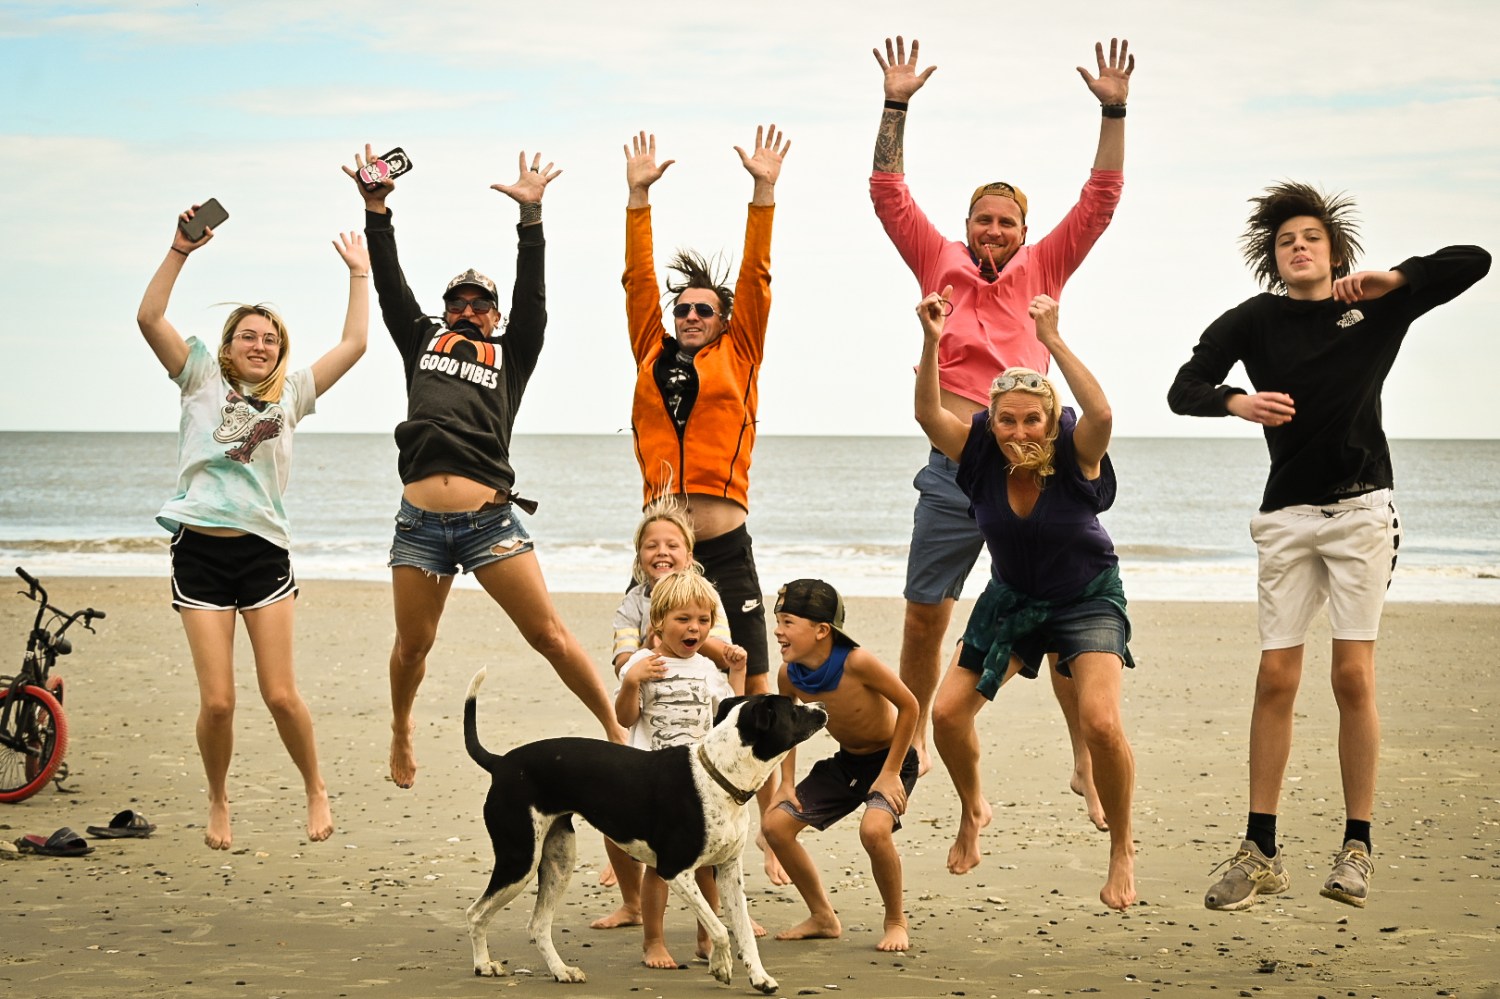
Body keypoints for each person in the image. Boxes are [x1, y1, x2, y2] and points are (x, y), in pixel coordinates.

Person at [1167, 182, 1491, 911]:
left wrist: (1399, 277)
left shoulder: (1376, 306)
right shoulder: (1255, 321)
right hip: (1285, 516)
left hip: (1361, 513)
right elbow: (1183, 386)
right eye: (1286, 240)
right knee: (1276, 679)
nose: (1299, 247)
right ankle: (1260, 850)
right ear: (1274, 258)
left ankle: (1357, 846)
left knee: (1351, 676)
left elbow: (1475, 259)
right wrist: (1235, 401)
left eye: (1311, 236)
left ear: (1334, 250)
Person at [869, 36, 1134, 832]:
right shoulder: (937, 260)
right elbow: (887, 191)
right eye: (983, 220)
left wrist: (1113, 108)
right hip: (957, 462)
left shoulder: (1044, 266)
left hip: (1036, 463)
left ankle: (1084, 759)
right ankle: (906, 748)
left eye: (1006, 220)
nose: (993, 231)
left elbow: (1102, 198)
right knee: (925, 614)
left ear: (1023, 228)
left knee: (1057, 616)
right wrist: (896, 102)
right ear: (966, 225)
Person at [343, 144, 624, 788]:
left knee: (549, 635)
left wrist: (531, 219)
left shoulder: (512, 353)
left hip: (489, 522)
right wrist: (376, 209)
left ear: (494, 317)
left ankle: (611, 726)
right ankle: (401, 726)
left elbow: (534, 297)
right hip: (419, 524)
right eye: (459, 303)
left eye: (480, 305)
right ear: (446, 311)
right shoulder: (422, 339)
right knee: (413, 647)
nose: (469, 310)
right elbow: (390, 284)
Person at [136, 202, 370, 849]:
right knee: (217, 703)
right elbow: (148, 317)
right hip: (199, 555)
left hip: (265, 553)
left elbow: (355, 345)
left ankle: (315, 787)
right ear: (231, 342)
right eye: (249, 335)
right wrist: (180, 250)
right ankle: (218, 798)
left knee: (281, 694)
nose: (260, 344)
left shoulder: (290, 394)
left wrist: (359, 273)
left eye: (270, 338)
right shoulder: (199, 375)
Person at [916, 287, 1138, 910]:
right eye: (1007, 419)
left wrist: (1052, 340)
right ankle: (972, 808)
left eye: (1031, 419)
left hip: (1086, 595)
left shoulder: (1077, 454)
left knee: (1101, 721)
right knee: (947, 715)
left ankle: (1121, 847)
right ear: (993, 420)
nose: (1018, 431)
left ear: (1049, 420)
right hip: (1012, 598)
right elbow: (930, 415)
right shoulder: (980, 453)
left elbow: (1102, 415)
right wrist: (933, 342)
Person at [622, 125, 789, 877]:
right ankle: (640, 819)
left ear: (724, 320)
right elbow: (636, 283)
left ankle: (768, 814)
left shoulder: (741, 351)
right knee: (645, 667)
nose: (690, 317)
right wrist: (638, 198)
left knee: (752, 670)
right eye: (681, 309)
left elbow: (756, 277)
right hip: (665, 550)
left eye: (703, 310)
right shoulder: (651, 351)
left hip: (725, 541)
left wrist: (763, 192)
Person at [592, 497, 748, 932]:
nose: (661, 552)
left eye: (673, 545)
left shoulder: (704, 596)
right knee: (625, 831)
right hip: (649, 748)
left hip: (696, 758)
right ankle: (633, 907)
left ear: (689, 553)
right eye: (651, 545)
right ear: (639, 556)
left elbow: (714, 653)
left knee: (704, 851)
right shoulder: (632, 604)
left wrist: (729, 660)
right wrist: (641, 658)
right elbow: (625, 662)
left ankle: (711, 928)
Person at [762, 579, 919, 952]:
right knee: (775, 826)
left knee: (874, 831)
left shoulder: (857, 662)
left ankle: (896, 920)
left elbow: (910, 706)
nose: (777, 631)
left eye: (787, 622)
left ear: (821, 630)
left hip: (890, 759)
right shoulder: (789, 674)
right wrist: (786, 782)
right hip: (847, 763)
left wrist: (892, 772)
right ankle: (822, 917)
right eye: (778, 621)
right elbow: (789, 728)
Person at [614, 570, 736, 969]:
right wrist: (632, 681)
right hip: (655, 781)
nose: (694, 628)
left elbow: (732, 719)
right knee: (659, 865)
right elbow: (625, 717)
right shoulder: (642, 663)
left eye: (703, 620)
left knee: (707, 864)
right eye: (684, 619)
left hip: (698, 783)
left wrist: (736, 671)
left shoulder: (707, 669)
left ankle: (706, 938)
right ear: (658, 622)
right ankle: (654, 941)